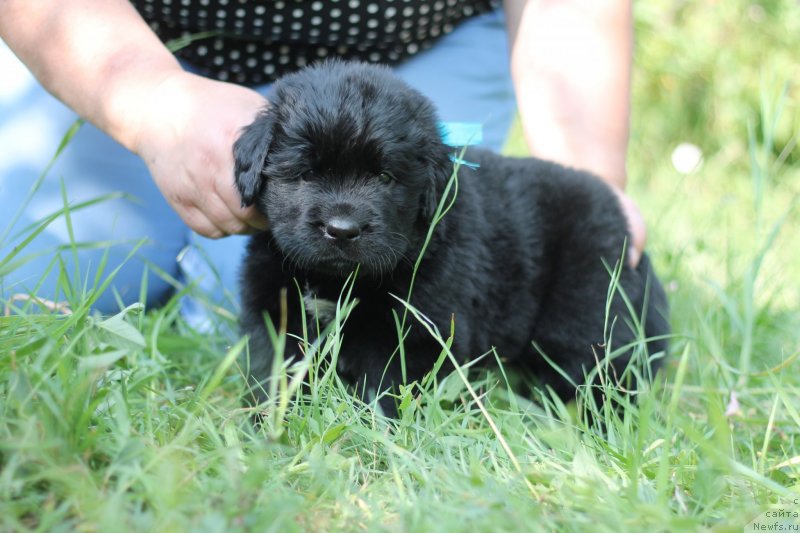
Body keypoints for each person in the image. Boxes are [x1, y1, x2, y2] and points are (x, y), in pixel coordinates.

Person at [0, 0, 643, 320]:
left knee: (368, 291)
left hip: (413, 55)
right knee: (33, 286)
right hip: (135, 39)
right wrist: (149, 100)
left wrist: (589, 193)